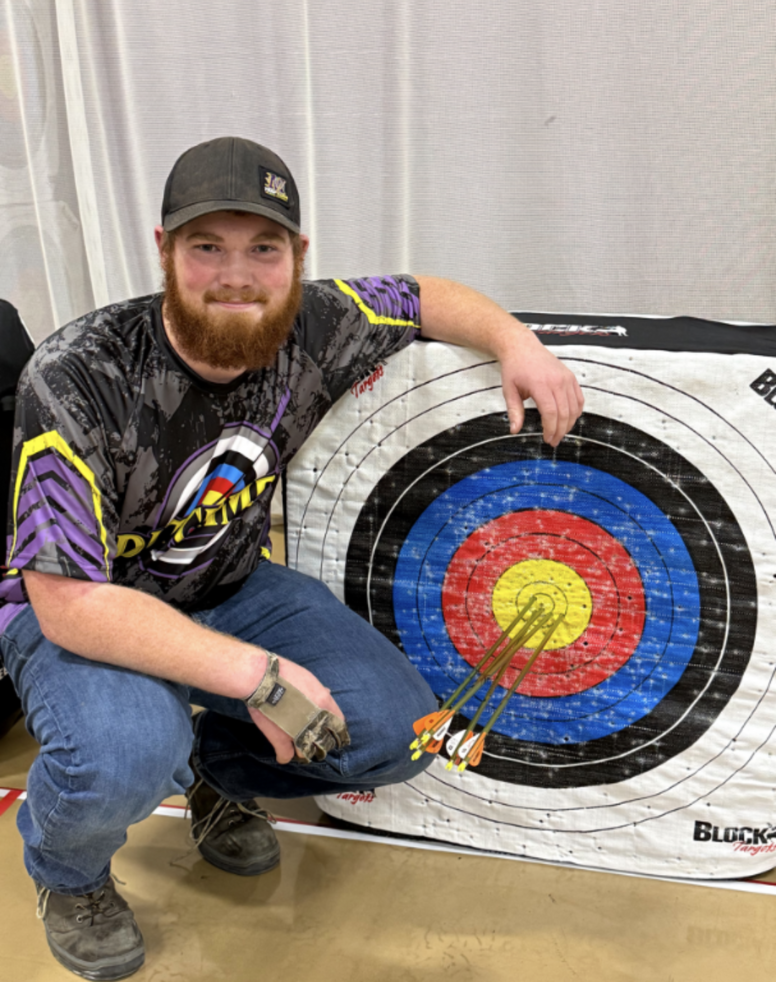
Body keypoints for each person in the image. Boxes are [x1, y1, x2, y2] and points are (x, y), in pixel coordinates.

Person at [0, 136, 584, 980]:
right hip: (82, 612)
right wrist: (260, 678)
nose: (236, 274)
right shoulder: (78, 373)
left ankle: (216, 774)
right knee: (126, 752)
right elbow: (69, 603)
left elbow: (425, 295)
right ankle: (69, 874)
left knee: (404, 735)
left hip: (227, 585)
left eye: (262, 248)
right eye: (208, 247)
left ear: (297, 258)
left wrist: (516, 343)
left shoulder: (319, 320)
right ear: (164, 251)